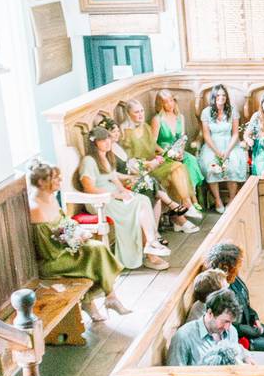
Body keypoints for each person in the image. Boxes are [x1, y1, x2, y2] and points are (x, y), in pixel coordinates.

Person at [27, 160, 127, 322]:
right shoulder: (36, 209)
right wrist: (73, 241)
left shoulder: (51, 198)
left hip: (65, 249)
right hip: (53, 260)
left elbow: (66, 222)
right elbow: (47, 250)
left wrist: (79, 233)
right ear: (41, 182)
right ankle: (106, 298)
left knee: (96, 248)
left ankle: (103, 299)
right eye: (55, 178)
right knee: (95, 251)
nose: (60, 181)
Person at [79, 126, 169, 270]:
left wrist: (124, 192)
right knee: (138, 205)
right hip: (101, 201)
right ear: (94, 143)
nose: (107, 142)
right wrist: (114, 195)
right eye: (103, 140)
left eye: (108, 138)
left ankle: (150, 244)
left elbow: (114, 179)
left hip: (115, 195)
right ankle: (151, 248)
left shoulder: (106, 157)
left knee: (142, 199)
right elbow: (88, 188)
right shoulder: (89, 161)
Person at [97, 116, 189, 237]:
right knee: (151, 185)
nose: (118, 134)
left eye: (118, 131)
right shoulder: (106, 152)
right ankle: (171, 208)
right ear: (106, 134)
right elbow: (112, 175)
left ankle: (155, 232)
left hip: (129, 179)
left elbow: (129, 163)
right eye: (114, 132)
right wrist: (129, 178)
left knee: (153, 187)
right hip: (119, 186)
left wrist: (146, 165)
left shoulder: (117, 147)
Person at [120, 99, 200, 234]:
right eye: (136, 112)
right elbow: (129, 161)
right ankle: (179, 218)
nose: (140, 114)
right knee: (173, 171)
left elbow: (154, 146)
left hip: (154, 163)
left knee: (178, 166)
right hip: (140, 170)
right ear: (129, 114)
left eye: (142, 111)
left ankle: (187, 205)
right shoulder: (125, 132)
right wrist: (148, 164)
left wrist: (168, 153)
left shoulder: (145, 126)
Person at [206, 243, 264, 355]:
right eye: (237, 265)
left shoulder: (234, 278)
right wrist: (250, 331)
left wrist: (255, 318)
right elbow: (226, 326)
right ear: (226, 268)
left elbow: (245, 304)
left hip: (249, 324)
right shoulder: (217, 291)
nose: (239, 267)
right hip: (240, 337)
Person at [167, 289, 252, 366]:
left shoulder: (231, 330)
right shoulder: (183, 337)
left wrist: (246, 356)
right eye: (225, 321)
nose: (227, 327)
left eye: (230, 322)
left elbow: (236, 351)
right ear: (210, 313)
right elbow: (174, 375)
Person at [198, 84, 249, 212]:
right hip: (213, 144)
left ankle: (232, 198)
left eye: (224, 95)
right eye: (218, 95)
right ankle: (217, 199)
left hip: (230, 143)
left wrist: (227, 151)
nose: (221, 97)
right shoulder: (206, 112)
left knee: (234, 163)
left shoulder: (232, 110)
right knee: (210, 164)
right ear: (214, 97)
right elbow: (206, 134)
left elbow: (236, 134)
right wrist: (216, 151)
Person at [151, 89, 204, 211]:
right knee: (180, 166)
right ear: (160, 104)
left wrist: (180, 151)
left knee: (190, 160)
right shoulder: (157, 119)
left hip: (178, 150)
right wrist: (168, 153)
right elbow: (153, 144)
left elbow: (182, 139)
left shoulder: (180, 117)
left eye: (171, 101)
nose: (170, 104)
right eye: (166, 102)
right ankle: (190, 202)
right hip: (163, 153)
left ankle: (192, 198)